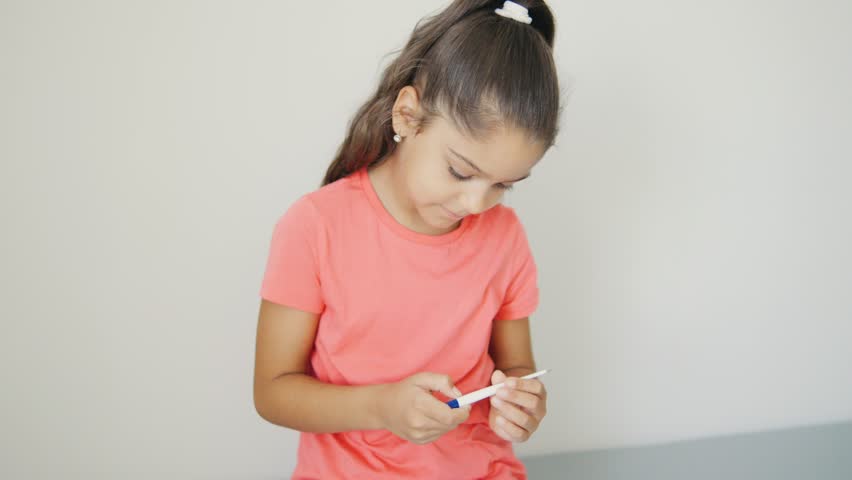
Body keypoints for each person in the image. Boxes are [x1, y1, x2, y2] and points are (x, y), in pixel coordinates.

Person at [254, 1, 561, 477]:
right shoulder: (315, 227)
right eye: (460, 171)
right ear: (406, 116)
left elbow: (516, 365)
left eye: (504, 184)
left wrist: (521, 402)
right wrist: (381, 408)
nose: (477, 205)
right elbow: (273, 391)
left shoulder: (505, 237)